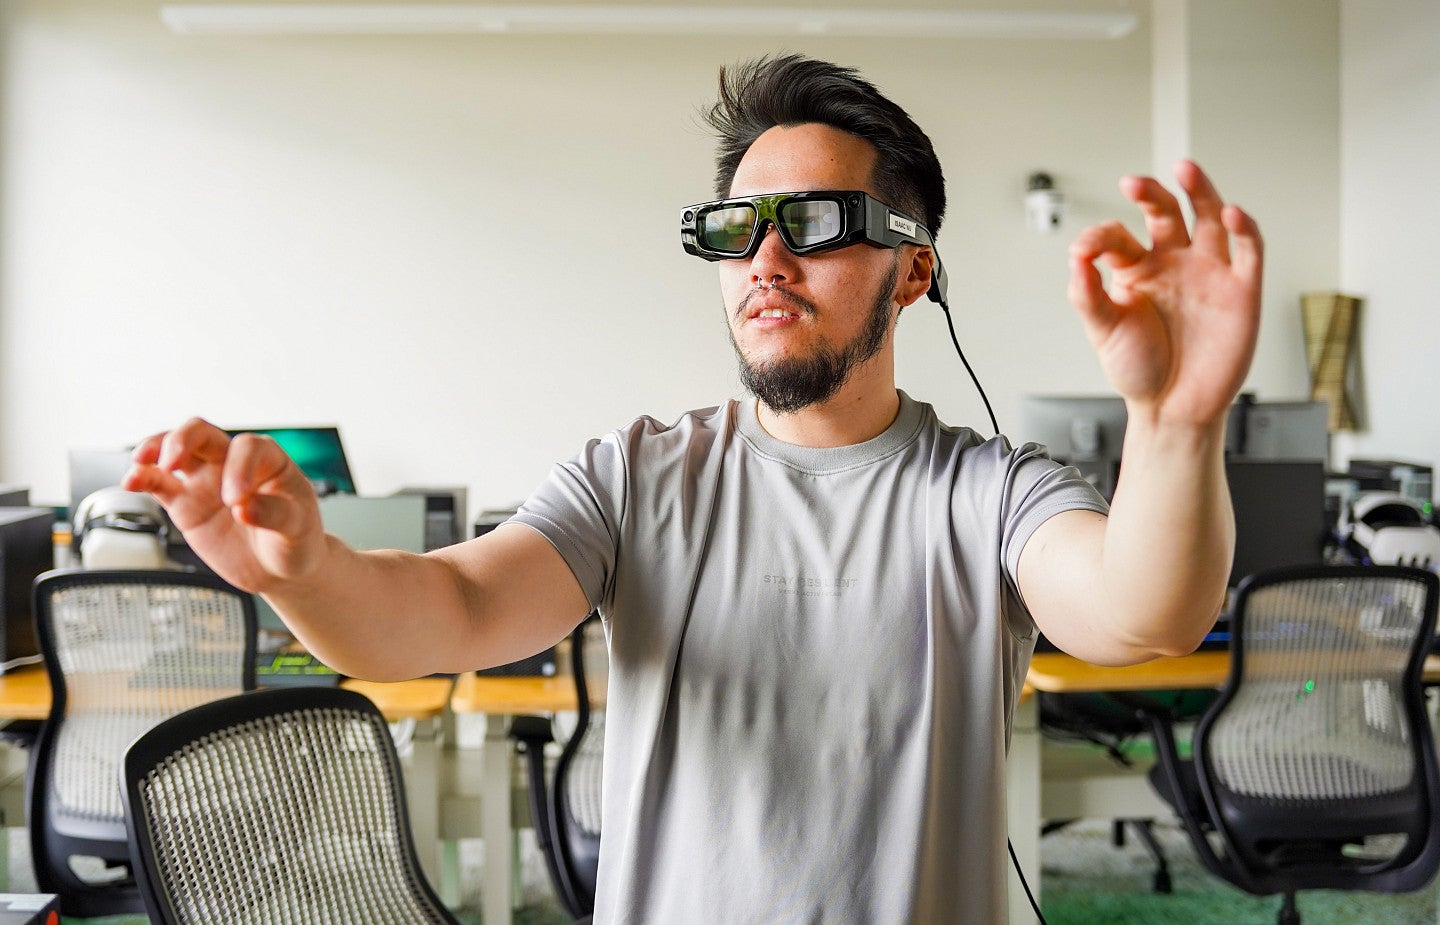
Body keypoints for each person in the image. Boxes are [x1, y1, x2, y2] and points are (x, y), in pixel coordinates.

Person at [125, 55, 1261, 924]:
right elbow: (447, 612)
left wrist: (1177, 421)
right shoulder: (633, 477)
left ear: (914, 268)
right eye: (736, 228)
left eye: (815, 224)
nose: (766, 259)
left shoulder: (987, 491)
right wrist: (309, 572)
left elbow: (1143, 610)